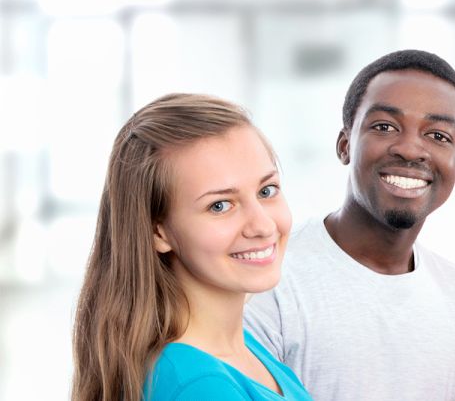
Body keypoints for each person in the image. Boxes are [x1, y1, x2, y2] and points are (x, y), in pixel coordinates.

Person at [244, 49, 455, 400]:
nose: (411, 149)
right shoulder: (266, 282)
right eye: (385, 127)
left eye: (438, 136)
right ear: (344, 144)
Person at [71, 93, 310, 400]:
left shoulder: (243, 348)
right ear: (159, 232)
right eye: (221, 205)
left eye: (267, 190)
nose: (263, 225)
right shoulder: (201, 385)